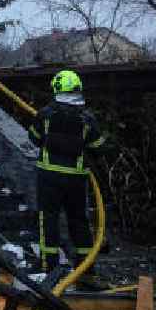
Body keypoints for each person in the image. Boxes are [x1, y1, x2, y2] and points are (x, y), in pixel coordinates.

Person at [28, 70, 105, 274]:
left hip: (49, 176)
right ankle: (86, 269)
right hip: (76, 178)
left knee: (48, 219)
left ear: (56, 89)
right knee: (79, 220)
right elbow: (98, 146)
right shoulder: (87, 118)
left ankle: (48, 264)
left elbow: (34, 138)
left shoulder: (45, 114)